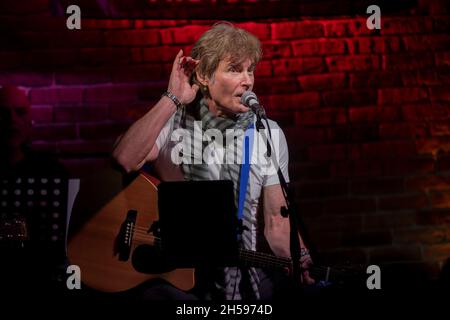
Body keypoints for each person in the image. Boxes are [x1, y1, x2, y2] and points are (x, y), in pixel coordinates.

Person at [112, 22, 314, 300]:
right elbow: (124, 159)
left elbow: (277, 224)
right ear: (205, 75)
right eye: (235, 69)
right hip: (176, 274)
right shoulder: (173, 122)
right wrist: (173, 98)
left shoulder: (266, 133)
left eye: (250, 69)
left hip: (239, 274)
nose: (248, 80)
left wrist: (298, 255)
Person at [0, 85, 68, 300]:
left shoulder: (51, 172)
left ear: (29, 120)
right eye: (3, 113)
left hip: (39, 277)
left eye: (20, 112)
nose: (12, 120)